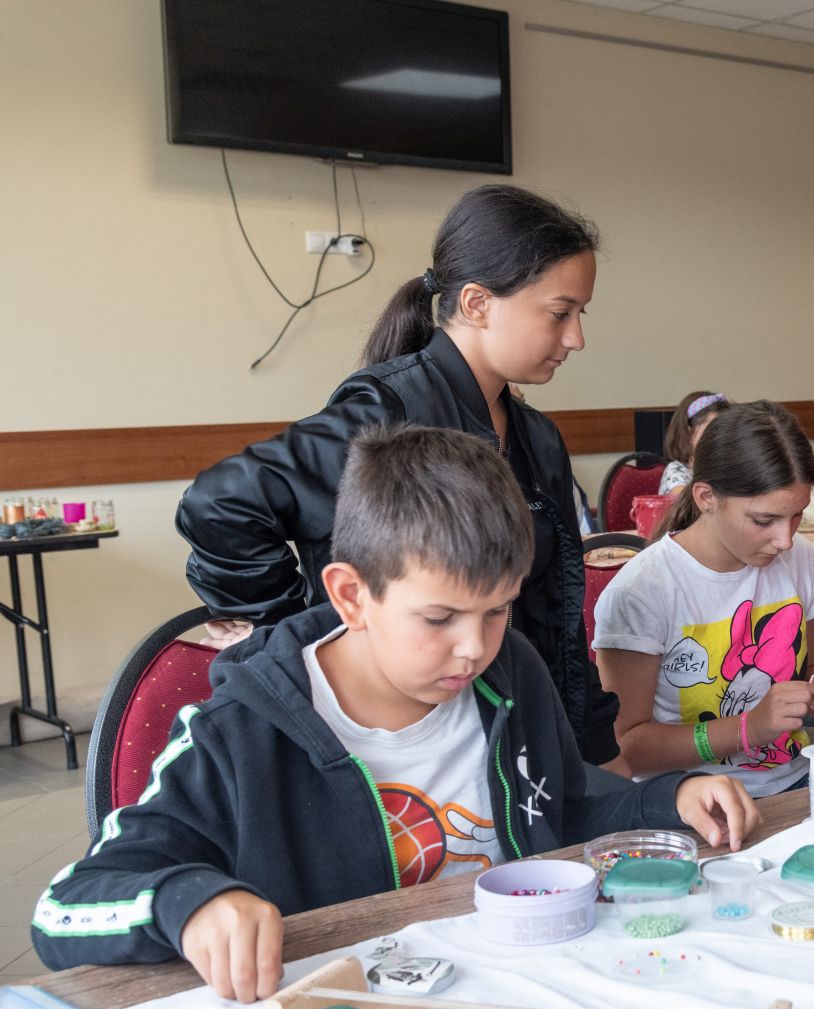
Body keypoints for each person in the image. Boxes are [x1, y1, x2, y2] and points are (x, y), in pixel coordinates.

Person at [32, 426, 759, 999]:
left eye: (498, 609)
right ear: (351, 596)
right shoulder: (240, 731)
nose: (473, 648)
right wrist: (188, 902)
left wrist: (667, 797)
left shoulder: (511, 673)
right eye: (439, 617)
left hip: (523, 995)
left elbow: (564, 806)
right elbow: (63, 910)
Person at [175, 185, 621, 767]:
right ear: (478, 303)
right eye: (560, 314)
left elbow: (554, 612)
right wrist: (296, 634)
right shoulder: (383, 415)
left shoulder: (538, 439)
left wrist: (589, 746)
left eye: (580, 315)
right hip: (394, 740)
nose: (576, 339)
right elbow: (219, 505)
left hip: (502, 730)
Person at [594, 401, 814, 797]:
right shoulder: (643, 590)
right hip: (691, 800)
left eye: (796, 516)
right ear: (705, 497)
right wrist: (746, 729)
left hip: (794, 783)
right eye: (763, 520)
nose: (785, 540)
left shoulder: (797, 558)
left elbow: (809, 665)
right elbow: (627, 749)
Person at [659, 391, 730, 495]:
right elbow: (688, 508)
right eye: (711, 431)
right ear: (687, 432)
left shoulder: (724, 469)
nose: (720, 438)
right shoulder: (675, 471)